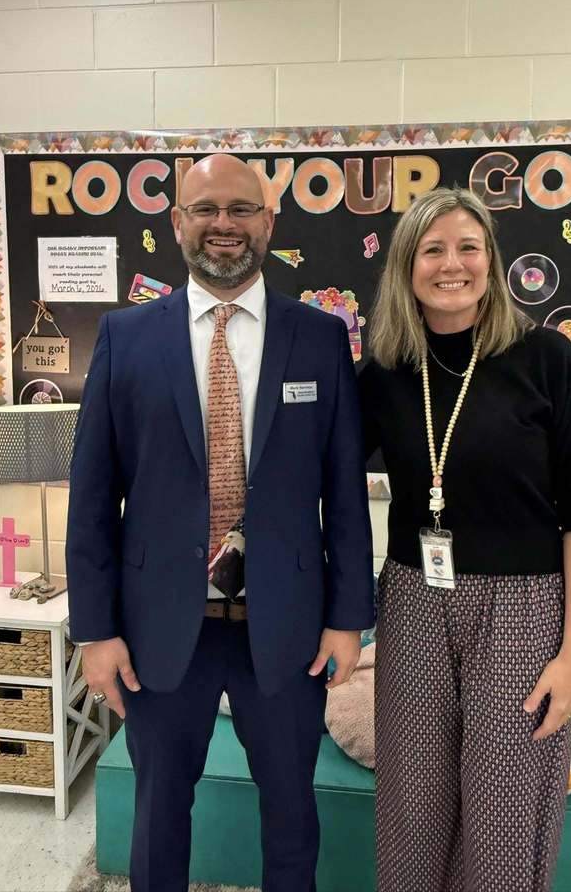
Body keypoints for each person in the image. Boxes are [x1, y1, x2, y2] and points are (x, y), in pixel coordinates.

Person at [66, 154, 375, 892]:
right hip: (159, 631)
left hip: (289, 628)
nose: (224, 225)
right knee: (160, 811)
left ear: (269, 222)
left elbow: (345, 491)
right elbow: (91, 496)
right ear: (177, 224)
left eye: (241, 209)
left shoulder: (321, 338)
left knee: (293, 812)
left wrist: (347, 620)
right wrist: (95, 631)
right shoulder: (125, 337)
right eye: (205, 210)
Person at [359, 186, 571, 892]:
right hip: (413, 600)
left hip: (524, 610)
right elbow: (317, 471)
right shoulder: (383, 371)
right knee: (411, 801)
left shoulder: (545, 359)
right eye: (432, 249)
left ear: (491, 262)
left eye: (469, 247)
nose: (453, 264)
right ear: (406, 266)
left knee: (505, 807)